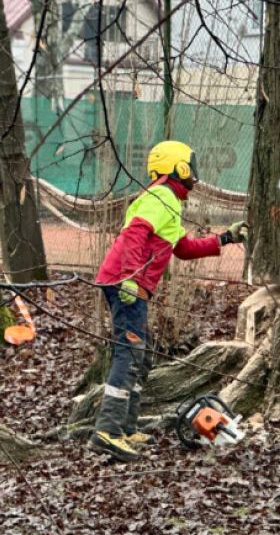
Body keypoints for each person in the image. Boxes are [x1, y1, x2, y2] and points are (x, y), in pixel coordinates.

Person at [89, 140, 247, 462]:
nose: (196, 175)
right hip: (125, 285)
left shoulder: (170, 201)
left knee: (141, 355)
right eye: (192, 166)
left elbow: (184, 248)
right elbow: (135, 233)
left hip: (130, 285)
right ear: (180, 168)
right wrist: (130, 279)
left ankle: (126, 427)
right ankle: (107, 432)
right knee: (129, 352)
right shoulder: (160, 196)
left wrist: (225, 238)